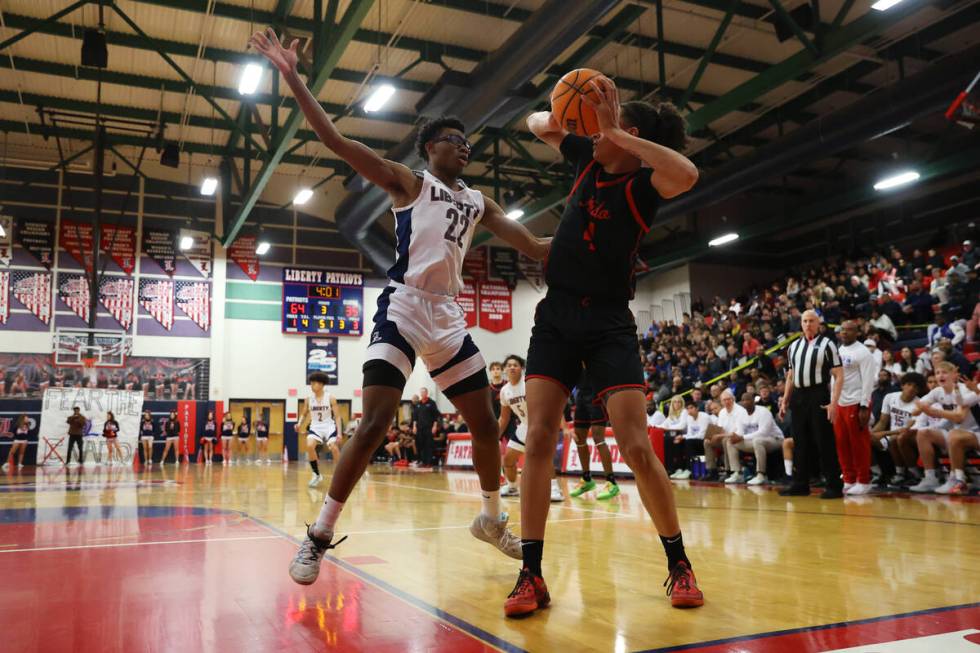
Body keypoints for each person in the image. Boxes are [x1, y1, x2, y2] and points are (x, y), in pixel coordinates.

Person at [249, 28, 549, 585]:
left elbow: (534, 246)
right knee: (375, 423)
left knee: (486, 424)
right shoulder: (409, 184)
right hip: (404, 307)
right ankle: (317, 536)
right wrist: (292, 77)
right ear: (430, 149)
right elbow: (337, 141)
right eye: (453, 139)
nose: (464, 146)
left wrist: (606, 244)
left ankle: (489, 517)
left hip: (449, 317)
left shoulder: (478, 201)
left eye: (467, 142)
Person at [509, 76, 702, 618]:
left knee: (636, 446)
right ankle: (530, 573)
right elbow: (535, 123)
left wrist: (611, 127)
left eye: (603, 131)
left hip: (610, 321)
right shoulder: (585, 156)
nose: (590, 135)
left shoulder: (646, 185)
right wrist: (576, 114)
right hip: (557, 316)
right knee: (541, 435)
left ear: (628, 132)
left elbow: (687, 173)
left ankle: (679, 563)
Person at [779, 310, 845, 499]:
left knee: (824, 440)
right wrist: (785, 400)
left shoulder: (827, 344)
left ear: (818, 324)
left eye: (811, 321)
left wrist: (834, 402)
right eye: (805, 321)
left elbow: (839, 375)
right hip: (798, 396)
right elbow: (790, 376)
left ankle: (834, 485)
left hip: (818, 393)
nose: (808, 324)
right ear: (801, 324)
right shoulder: (793, 347)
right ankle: (800, 484)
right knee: (800, 441)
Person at [498, 355, 563, 502]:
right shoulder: (504, 391)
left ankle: (555, 489)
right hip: (523, 426)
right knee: (508, 460)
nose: (512, 367)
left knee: (544, 459)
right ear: (504, 370)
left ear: (522, 368)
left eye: (516, 365)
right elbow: (504, 418)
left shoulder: (529, 384)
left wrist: (560, 425)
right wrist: (494, 436)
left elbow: (549, 404)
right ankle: (513, 486)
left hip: (538, 424)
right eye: (509, 365)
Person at [909, 362, 978, 493]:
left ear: (954, 375)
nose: (940, 375)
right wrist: (920, 408)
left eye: (944, 372)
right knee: (923, 433)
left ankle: (954, 479)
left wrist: (933, 412)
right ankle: (930, 478)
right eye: (937, 373)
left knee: (953, 434)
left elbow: (959, 417)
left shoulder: (964, 390)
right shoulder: (937, 391)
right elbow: (915, 411)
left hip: (972, 433)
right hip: (955, 433)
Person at [833, 321, 878, 496]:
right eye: (842, 329)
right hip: (839, 402)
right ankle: (849, 479)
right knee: (841, 442)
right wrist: (832, 401)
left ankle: (864, 480)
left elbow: (868, 380)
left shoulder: (863, 352)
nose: (844, 333)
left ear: (857, 333)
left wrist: (865, 405)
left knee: (858, 443)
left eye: (849, 330)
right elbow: (834, 378)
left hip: (856, 402)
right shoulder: (839, 350)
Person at [567, 371, 619, 500]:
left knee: (598, 438)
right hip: (581, 396)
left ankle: (611, 482)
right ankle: (587, 479)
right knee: (579, 438)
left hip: (596, 396)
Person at [873, 372, 926, 487]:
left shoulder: (919, 404)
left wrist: (885, 433)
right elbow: (882, 422)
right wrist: (871, 434)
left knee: (897, 438)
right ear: (902, 385)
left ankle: (911, 474)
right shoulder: (890, 397)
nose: (911, 388)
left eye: (916, 387)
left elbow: (907, 429)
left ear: (919, 390)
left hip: (909, 436)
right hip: (892, 434)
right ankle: (876, 473)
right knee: (864, 437)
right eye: (909, 384)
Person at [724, 392, 784, 486]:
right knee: (730, 442)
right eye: (743, 400)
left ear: (753, 401)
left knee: (757, 440)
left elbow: (763, 432)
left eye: (747, 399)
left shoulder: (763, 411)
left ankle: (761, 475)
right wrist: (735, 436)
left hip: (775, 440)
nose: (745, 402)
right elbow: (740, 432)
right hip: (755, 442)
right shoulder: (741, 414)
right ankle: (738, 473)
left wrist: (742, 437)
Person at [296, 372, 343, 487]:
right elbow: (304, 412)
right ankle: (316, 474)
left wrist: (340, 433)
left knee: (334, 448)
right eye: (311, 383)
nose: (312, 386)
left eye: (314, 383)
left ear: (321, 384)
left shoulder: (330, 398)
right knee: (309, 445)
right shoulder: (308, 399)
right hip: (316, 426)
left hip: (328, 426)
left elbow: (337, 416)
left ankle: (340, 474)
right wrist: (299, 423)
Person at [670, 402, 710, 480]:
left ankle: (689, 469)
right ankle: (681, 468)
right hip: (694, 440)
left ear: (697, 408)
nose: (689, 410)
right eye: (687, 409)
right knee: (677, 441)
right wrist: (682, 437)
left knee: (688, 442)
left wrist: (686, 437)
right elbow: (689, 434)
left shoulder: (704, 417)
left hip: (706, 440)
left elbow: (702, 435)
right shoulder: (689, 418)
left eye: (691, 408)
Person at [412, 388, 441, 468]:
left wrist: (434, 426)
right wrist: (414, 426)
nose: (422, 394)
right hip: (419, 428)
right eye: (421, 393)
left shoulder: (432, 403)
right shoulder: (418, 404)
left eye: (424, 392)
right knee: (420, 445)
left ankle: (428, 462)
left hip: (429, 428)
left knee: (428, 445)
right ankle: (422, 461)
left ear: (426, 393)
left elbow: (436, 416)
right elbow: (415, 417)